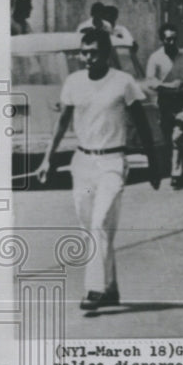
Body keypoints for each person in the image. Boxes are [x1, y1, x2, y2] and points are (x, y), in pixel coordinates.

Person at [34, 28, 160, 310]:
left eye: (94, 52)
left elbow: (141, 123)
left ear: (105, 54)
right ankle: (111, 287)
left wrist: (154, 164)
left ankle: (94, 290)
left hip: (112, 163)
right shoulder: (74, 82)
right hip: (83, 163)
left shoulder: (123, 82)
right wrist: (47, 159)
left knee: (99, 223)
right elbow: (62, 123)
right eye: (84, 52)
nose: (88, 57)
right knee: (91, 226)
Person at [146, 22, 183, 189]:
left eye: (174, 39)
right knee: (169, 140)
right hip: (165, 103)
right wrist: (168, 86)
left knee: (178, 137)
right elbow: (151, 82)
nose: (171, 43)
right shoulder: (155, 58)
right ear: (162, 40)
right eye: (168, 39)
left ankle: (175, 175)